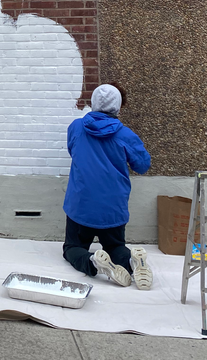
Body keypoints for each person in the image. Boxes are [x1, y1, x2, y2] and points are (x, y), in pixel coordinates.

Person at [62, 83, 153, 290]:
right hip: (112, 208)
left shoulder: (76, 127)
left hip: (80, 206)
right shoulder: (125, 135)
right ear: (118, 107)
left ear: (93, 103)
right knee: (115, 246)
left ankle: (93, 262)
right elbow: (143, 165)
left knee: (72, 248)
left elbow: (73, 151)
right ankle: (132, 262)